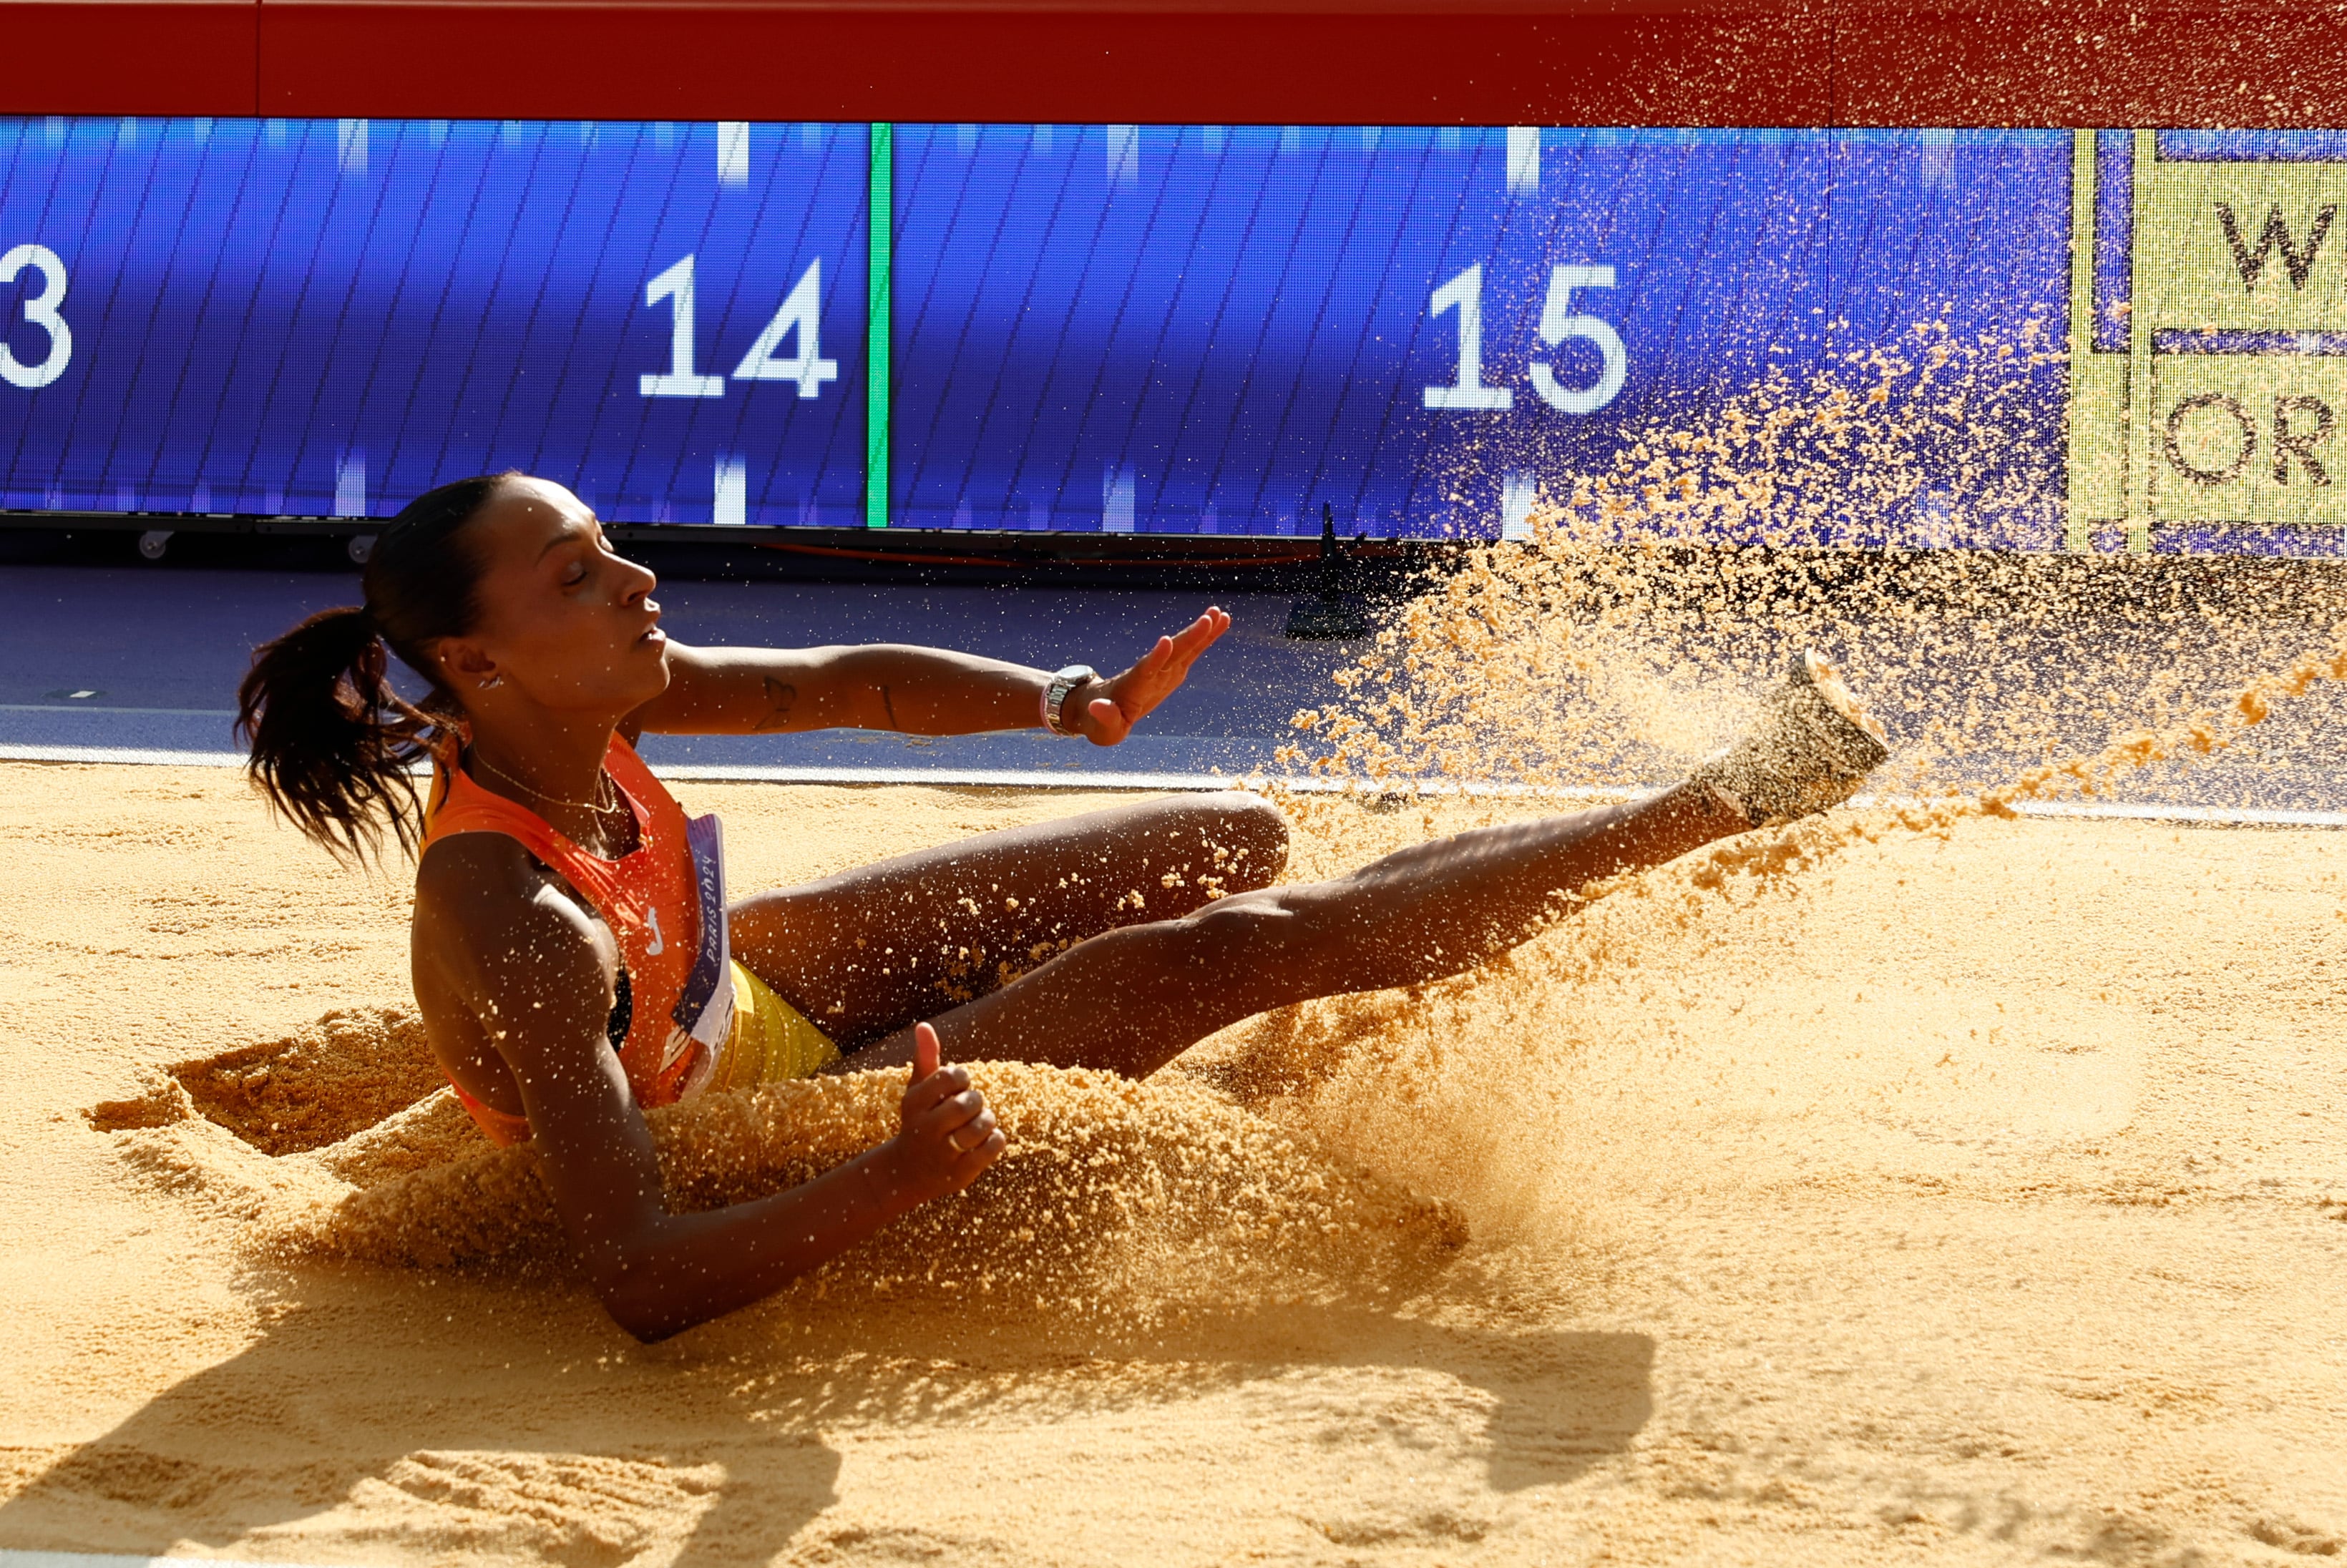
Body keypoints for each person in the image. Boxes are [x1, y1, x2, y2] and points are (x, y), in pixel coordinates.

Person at [238, 472, 1889, 1341]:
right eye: (581, 576)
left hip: (745, 1003)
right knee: (1244, 947)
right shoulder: (518, 917)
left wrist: (1067, 698)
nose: (637, 583)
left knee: (1225, 835)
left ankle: (1395, 934)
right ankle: (1727, 797)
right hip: (777, 1120)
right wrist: (893, 1172)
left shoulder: (598, 708)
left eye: (611, 548)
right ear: (474, 660)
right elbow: (639, 1273)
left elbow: (855, 680)